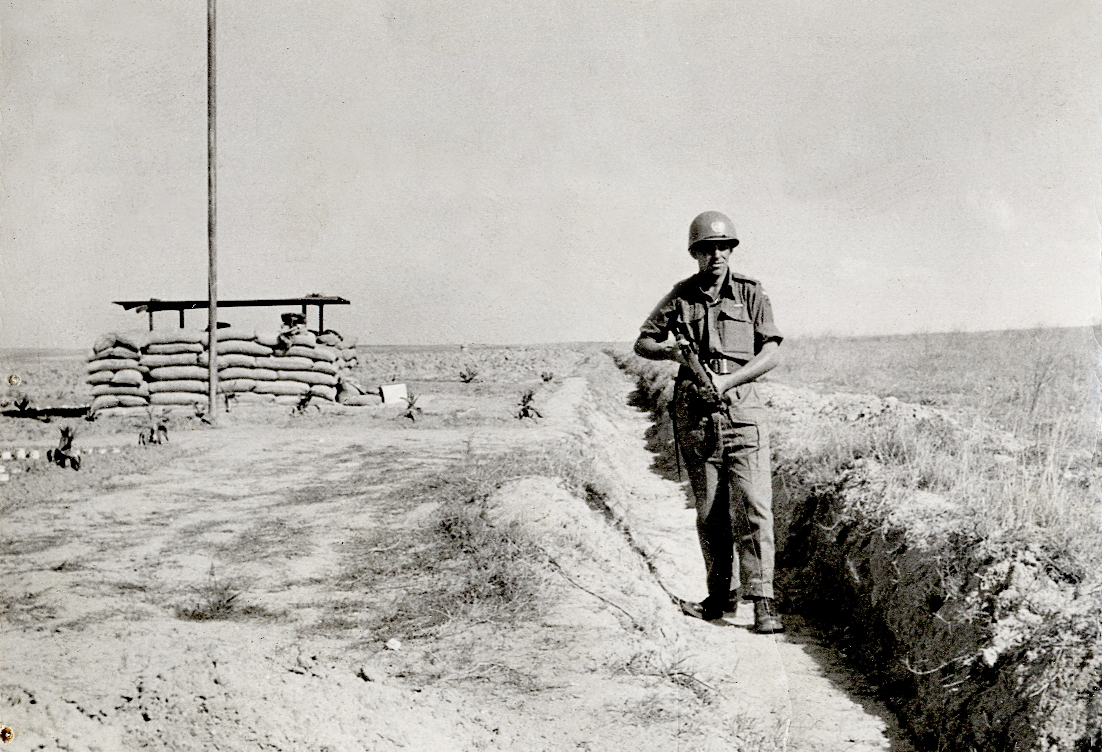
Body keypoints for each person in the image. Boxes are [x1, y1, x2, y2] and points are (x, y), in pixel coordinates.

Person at [634, 210, 784, 633]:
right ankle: (720, 598)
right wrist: (673, 353)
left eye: (722, 247)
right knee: (710, 513)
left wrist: (729, 380)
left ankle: (763, 602)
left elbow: (772, 352)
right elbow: (643, 342)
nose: (715, 255)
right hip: (697, 417)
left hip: (744, 413)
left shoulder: (751, 292)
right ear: (695, 253)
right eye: (706, 249)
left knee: (754, 508)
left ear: (731, 250)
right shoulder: (680, 296)